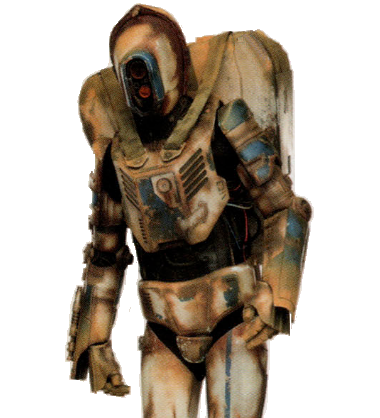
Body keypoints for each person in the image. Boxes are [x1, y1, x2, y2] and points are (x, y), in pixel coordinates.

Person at [67, 4, 311, 417]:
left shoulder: (224, 122)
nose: (139, 84)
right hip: (162, 329)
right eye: (130, 73)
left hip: (234, 319)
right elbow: (104, 254)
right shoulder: (115, 156)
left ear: (172, 64)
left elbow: (285, 209)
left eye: (144, 68)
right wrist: (94, 341)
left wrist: (276, 291)